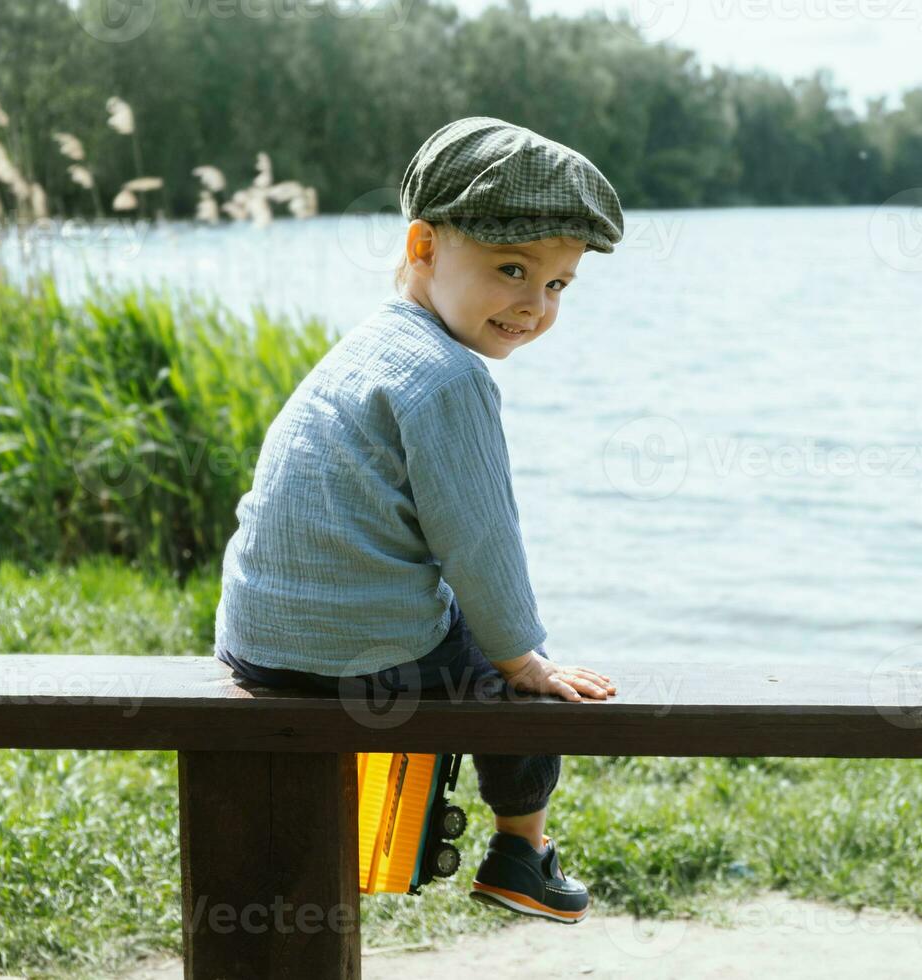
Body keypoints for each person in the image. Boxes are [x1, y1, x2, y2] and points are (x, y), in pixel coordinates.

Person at [213, 115, 623, 925]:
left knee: (480, 645)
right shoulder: (448, 379)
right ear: (424, 246)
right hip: (365, 662)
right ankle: (523, 852)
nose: (534, 305)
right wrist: (523, 658)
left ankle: (404, 831)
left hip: (259, 645)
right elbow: (480, 543)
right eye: (512, 268)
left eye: (557, 284)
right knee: (523, 682)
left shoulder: (367, 347)